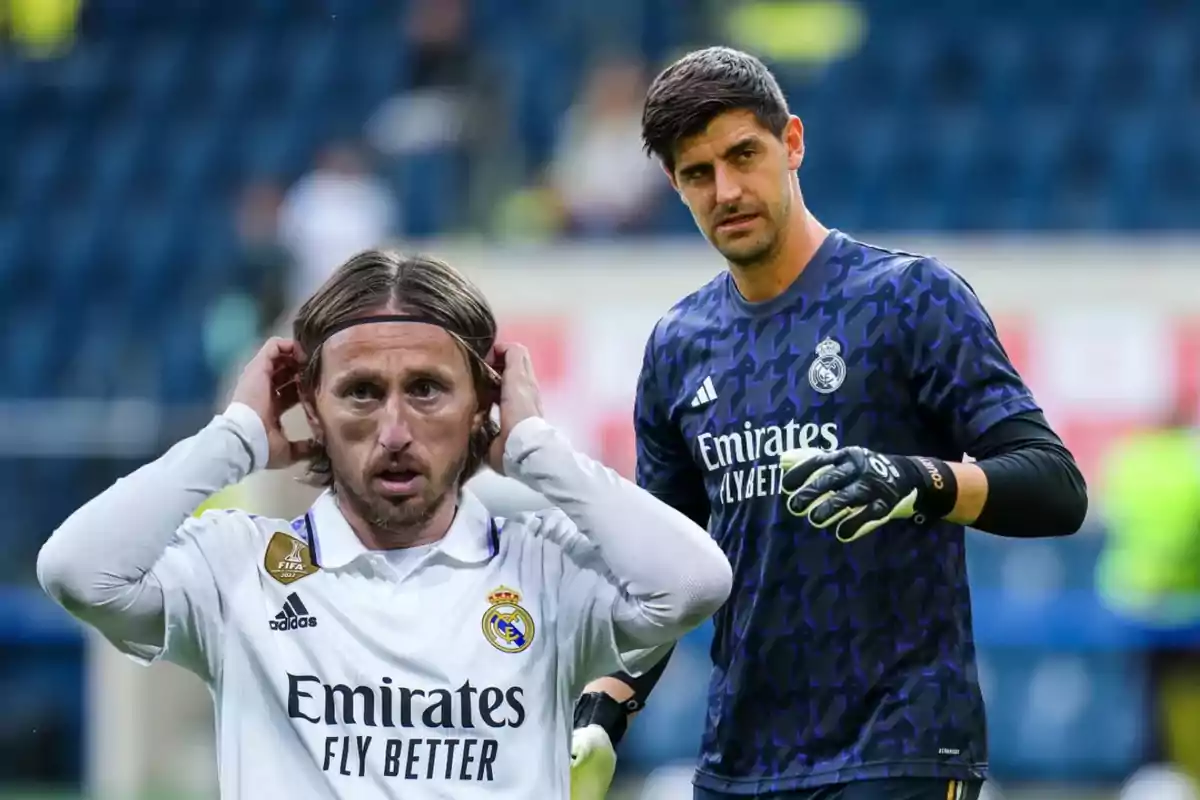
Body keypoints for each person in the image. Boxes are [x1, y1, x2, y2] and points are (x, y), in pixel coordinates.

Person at [569, 47, 1089, 800]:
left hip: (900, 748)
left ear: (794, 143)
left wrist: (920, 482)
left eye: (744, 155)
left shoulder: (911, 298)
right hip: (739, 760)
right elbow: (666, 566)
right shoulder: (678, 346)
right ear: (674, 186)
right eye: (697, 174)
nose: (727, 189)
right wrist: (606, 705)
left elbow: (1056, 487)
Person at [37, 250, 733, 799]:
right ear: (310, 404)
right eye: (362, 393)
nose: (395, 431)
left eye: (427, 390)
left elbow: (695, 582)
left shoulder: (546, 567)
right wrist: (235, 438)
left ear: (481, 403)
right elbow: (77, 571)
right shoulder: (237, 565)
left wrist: (536, 451)